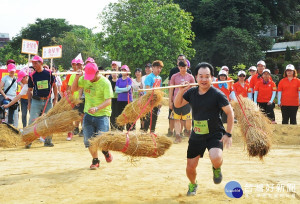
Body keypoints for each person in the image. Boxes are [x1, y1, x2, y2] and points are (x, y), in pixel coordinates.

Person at [174, 62, 234, 196]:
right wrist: (181, 90)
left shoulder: (218, 94)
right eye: (201, 76)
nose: (204, 79)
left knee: (216, 157)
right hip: (197, 134)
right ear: (196, 77)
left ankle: (216, 168)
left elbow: (230, 113)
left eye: (207, 76)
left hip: (215, 133)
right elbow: (177, 104)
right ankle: (193, 184)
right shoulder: (191, 92)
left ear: (212, 78)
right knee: (190, 167)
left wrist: (228, 133)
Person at [71, 62, 114, 170]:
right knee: (88, 140)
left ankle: (105, 151)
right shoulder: (85, 79)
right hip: (88, 115)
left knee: (102, 140)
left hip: (102, 115)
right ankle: (95, 160)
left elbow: (108, 101)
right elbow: (73, 89)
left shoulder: (105, 83)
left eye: (91, 77)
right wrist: (77, 77)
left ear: (98, 72)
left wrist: (97, 108)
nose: (89, 79)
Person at [27, 55, 58, 148]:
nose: (34, 65)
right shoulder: (32, 76)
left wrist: (55, 99)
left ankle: (48, 141)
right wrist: (29, 103)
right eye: (33, 64)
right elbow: (29, 90)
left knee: (50, 121)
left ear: (41, 63)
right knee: (32, 121)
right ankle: (28, 141)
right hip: (36, 101)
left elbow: (55, 86)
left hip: (48, 101)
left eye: (35, 63)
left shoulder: (49, 73)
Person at [169, 60, 195, 143]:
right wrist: (170, 101)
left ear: (187, 67)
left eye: (184, 67)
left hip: (187, 101)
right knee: (176, 119)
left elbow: (194, 88)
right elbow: (171, 89)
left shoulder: (190, 77)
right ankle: (177, 135)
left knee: (188, 119)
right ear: (178, 68)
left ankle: (188, 131)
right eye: (181, 68)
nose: (183, 69)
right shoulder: (174, 76)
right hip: (176, 100)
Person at [144, 60, 164, 133]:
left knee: (155, 116)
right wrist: (151, 98)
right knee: (148, 117)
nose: (159, 69)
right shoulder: (149, 77)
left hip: (156, 101)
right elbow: (147, 89)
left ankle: (152, 132)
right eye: (157, 67)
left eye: (160, 68)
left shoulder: (159, 78)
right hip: (149, 100)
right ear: (153, 68)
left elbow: (160, 89)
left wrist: (160, 100)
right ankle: (144, 131)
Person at [115, 65, 135, 131]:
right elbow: (116, 90)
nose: (123, 71)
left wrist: (120, 89)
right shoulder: (119, 80)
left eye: (125, 70)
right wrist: (124, 89)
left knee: (129, 115)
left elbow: (128, 89)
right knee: (120, 115)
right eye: (122, 70)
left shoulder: (129, 80)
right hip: (120, 100)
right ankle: (120, 129)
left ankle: (129, 130)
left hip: (128, 100)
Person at [68, 59, 84, 137]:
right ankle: (77, 128)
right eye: (77, 65)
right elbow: (70, 87)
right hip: (75, 98)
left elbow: (82, 87)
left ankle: (83, 129)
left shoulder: (85, 75)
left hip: (83, 98)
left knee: (83, 114)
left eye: (80, 64)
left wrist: (80, 98)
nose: (79, 66)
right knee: (77, 114)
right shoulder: (73, 75)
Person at [0, 63, 18, 127]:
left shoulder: (16, 79)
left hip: (14, 98)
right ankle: (3, 127)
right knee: (5, 113)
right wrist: (5, 96)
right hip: (6, 97)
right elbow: (0, 88)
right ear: (8, 70)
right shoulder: (5, 78)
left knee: (13, 115)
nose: (12, 72)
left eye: (13, 70)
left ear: (15, 70)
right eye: (10, 70)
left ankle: (11, 127)